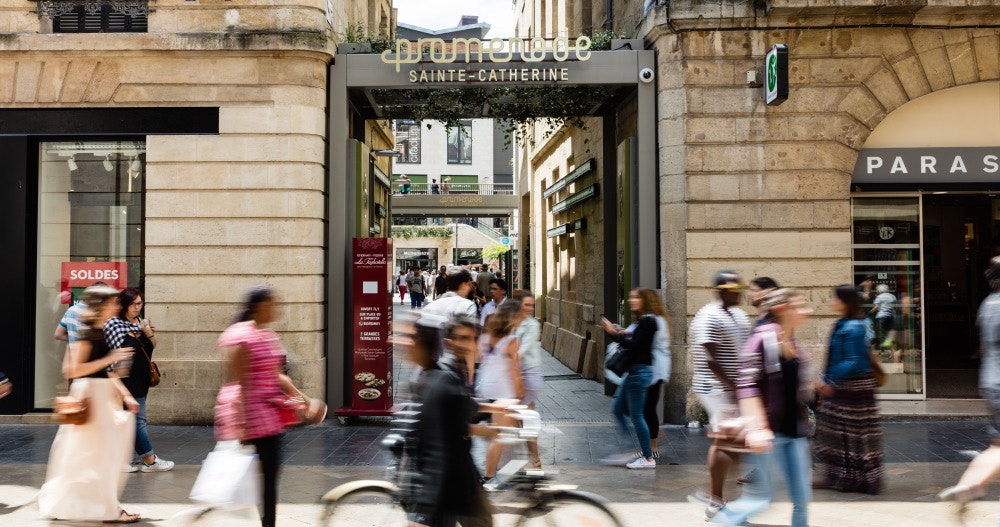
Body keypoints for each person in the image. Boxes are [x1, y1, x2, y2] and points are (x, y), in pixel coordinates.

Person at [705, 289, 814, 527]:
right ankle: (721, 522)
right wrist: (757, 427)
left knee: (802, 497)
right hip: (769, 434)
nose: (806, 311)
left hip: (795, 433)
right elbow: (747, 384)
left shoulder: (792, 340)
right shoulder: (763, 338)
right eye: (799, 306)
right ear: (781, 309)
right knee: (760, 500)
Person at [39, 285, 141, 524]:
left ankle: (83, 505)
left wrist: (125, 394)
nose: (118, 306)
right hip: (92, 399)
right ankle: (110, 510)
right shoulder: (88, 332)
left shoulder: (102, 329)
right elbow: (73, 370)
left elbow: (108, 372)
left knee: (89, 456)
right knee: (103, 455)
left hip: (101, 396)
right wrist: (111, 358)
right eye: (113, 302)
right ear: (101, 305)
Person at [217, 285, 315, 527]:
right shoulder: (240, 336)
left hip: (271, 417)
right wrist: (241, 424)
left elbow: (277, 376)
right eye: (271, 304)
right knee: (257, 479)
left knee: (269, 480)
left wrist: (304, 401)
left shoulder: (267, 335)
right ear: (257, 307)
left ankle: (267, 522)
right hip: (252, 418)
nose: (276, 309)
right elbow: (238, 381)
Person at [397, 314, 498, 527]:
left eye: (469, 338)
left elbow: (462, 407)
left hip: (459, 475)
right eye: (459, 338)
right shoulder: (444, 375)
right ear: (447, 341)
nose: (463, 344)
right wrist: (423, 509)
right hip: (447, 480)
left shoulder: (459, 370)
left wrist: (495, 408)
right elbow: (437, 442)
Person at [940, 256, 1000, 517]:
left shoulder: (988, 304)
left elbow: (984, 348)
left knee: (998, 446)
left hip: (991, 382)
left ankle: (966, 486)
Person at [688, 270, 751, 518]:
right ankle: (714, 501)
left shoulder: (737, 315)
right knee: (727, 439)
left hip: (730, 387)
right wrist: (734, 386)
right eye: (735, 289)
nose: (740, 293)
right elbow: (711, 360)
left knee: (734, 440)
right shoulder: (709, 316)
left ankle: (717, 494)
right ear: (723, 290)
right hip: (714, 388)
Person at [813, 284, 883, 494]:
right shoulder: (844, 323)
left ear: (844, 301)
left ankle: (853, 479)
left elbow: (852, 360)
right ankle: (838, 476)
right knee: (836, 432)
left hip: (853, 389)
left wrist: (829, 381)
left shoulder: (853, 326)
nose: (831, 301)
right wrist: (826, 378)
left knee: (850, 435)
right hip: (846, 387)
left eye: (834, 298)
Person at [104, 287, 174, 473]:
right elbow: (110, 355)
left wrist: (148, 331)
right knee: (137, 421)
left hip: (142, 379)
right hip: (124, 380)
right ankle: (149, 459)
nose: (137, 307)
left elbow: (152, 346)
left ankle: (119, 461)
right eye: (133, 304)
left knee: (126, 421)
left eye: (139, 303)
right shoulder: (114, 325)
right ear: (124, 305)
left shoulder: (140, 322)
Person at [599, 288, 659, 469]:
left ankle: (647, 457)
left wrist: (614, 333)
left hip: (640, 372)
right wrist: (618, 332)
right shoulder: (642, 321)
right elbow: (634, 341)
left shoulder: (649, 321)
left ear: (645, 301)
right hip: (634, 372)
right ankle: (634, 447)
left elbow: (635, 346)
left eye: (635, 297)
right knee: (617, 409)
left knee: (637, 415)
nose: (631, 300)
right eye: (630, 296)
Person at [476, 301, 525, 490]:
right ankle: (489, 476)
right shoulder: (511, 341)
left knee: (510, 433)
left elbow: (481, 359)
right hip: (503, 392)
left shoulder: (486, 337)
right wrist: (520, 391)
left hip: (485, 389)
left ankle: (512, 471)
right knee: (499, 435)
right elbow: (514, 370)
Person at [512, 290, 543, 468]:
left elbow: (521, 351)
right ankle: (531, 458)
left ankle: (532, 458)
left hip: (528, 375)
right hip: (513, 374)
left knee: (523, 417)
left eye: (532, 305)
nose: (530, 308)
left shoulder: (532, 325)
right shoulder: (510, 322)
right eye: (527, 305)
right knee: (518, 418)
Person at [871, 283, 897, 351]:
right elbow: (894, 308)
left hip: (881, 316)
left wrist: (870, 312)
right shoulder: (892, 296)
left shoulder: (879, 297)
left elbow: (876, 307)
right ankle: (890, 347)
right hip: (890, 316)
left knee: (881, 332)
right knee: (889, 332)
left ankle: (882, 348)